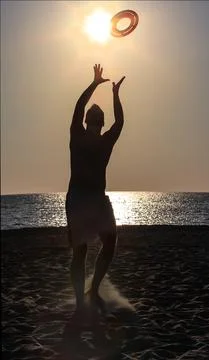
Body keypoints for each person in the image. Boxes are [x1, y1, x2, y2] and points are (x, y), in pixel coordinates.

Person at [66, 64, 125, 314]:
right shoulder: (79, 136)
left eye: (94, 119)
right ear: (98, 122)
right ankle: (82, 301)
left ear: (96, 122)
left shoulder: (98, 140)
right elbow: (117, 120)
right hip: (80, 199)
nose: (94, 122)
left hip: (93, 200)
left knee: (108, 242)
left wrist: (100, 88)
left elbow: (82, 108)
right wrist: (111, 93)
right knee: (81, 250)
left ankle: (93, 291)